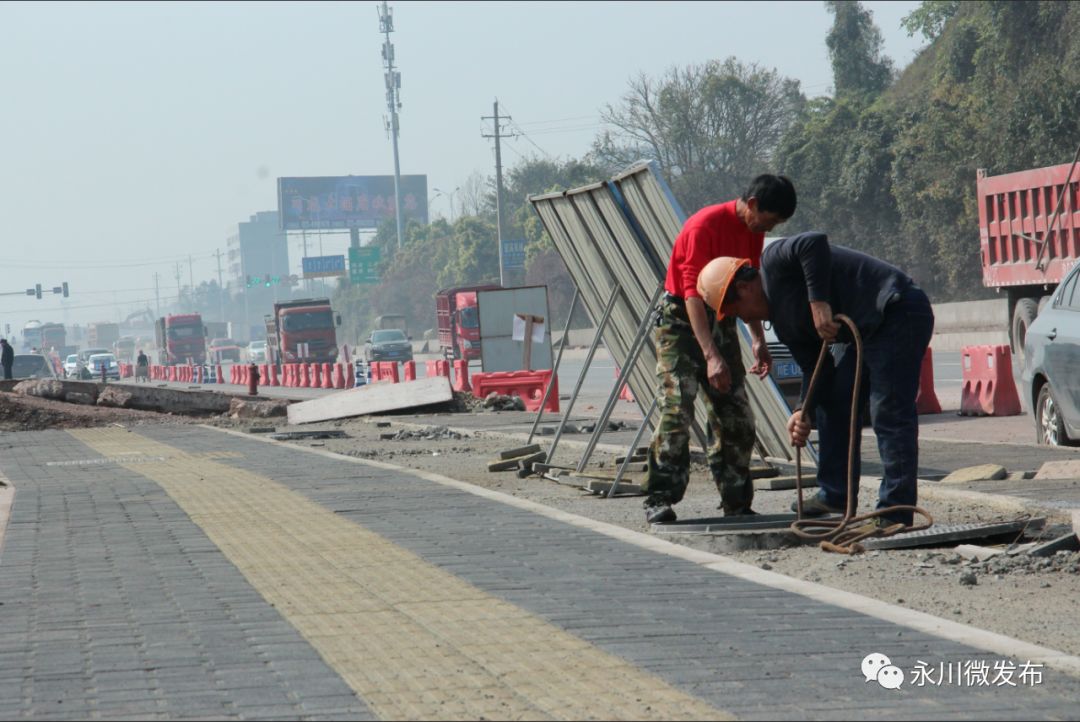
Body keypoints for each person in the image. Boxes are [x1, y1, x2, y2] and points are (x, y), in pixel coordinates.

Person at [702, 232, 934, 527]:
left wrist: (818, 303)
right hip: (866, 332)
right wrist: (802, 409)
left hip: (897, 309)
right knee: (833, 399)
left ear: (745, 287)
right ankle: (834, 493)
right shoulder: (785, 326)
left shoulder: (774, 264)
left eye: (734, 311)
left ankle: (895, 511)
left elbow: (812, 242)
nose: (742, 319)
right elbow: (817, 370)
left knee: (888, 411)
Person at [643, 174, 797, 524]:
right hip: (681, 322)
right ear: (754, 204)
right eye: (770, 219)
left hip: (723, 319)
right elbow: (693, 294)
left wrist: (757, 338)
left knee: (736, 416)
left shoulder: (753, 232)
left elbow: (749, 290)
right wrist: (711, 356)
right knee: (677, 406)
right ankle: (659, 496)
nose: (769, 228)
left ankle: (736, 502)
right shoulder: (704, 226)